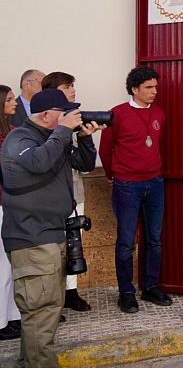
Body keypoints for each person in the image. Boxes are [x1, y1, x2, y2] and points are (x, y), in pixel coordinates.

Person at [1, 89, 100, 367]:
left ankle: (29, 362)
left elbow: (84, 164)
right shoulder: (19, 139)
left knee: (44, 313)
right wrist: (63, 131)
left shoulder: (52, 139)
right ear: (46, 115)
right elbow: (39, 162)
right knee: (41, 312)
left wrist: (84, 138)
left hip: (52, 234)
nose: (71, 115)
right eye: (64, 111)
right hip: (31, 238)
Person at [99, 66, 172, 314]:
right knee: (126, 241)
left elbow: (157, 145)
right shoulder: (117, 114)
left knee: (154, 239)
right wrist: (112, 176)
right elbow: (106, 149)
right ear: (134, 89)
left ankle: (150, 286)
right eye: (149, 87)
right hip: (127, 185)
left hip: (155, 182)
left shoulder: (159, 113)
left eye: (155, 87)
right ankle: (126, 293)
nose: (154, 91)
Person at [39, 72, 92, 313]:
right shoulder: (41, 125)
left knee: (74, 246)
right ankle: (52, 300)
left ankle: (71, 293)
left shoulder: (73, 118)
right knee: (51, 250)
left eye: (73, 86)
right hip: (49, 199)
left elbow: (84, 163)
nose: (73, 90)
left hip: (74, 193)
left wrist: (84, 138)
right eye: (67, 87)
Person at [0, 86, 22, 341]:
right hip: (2, 203)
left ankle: (12, 316)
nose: (14, 102)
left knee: (11, 262)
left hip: (12, 203)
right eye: (8, 99)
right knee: (2, 265)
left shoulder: (11, 130)